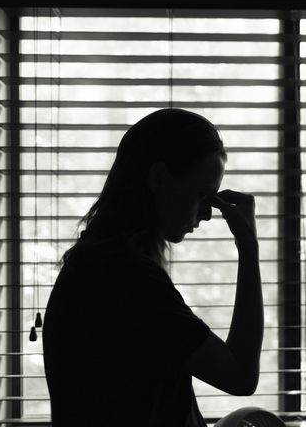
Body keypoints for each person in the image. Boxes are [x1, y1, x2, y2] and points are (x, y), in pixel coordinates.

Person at [42, 108, 264, 427]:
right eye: (202, 195)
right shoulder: (127, 277)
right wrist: (248, 247)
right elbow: (240, 377)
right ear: (158, 178)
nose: (207, 213)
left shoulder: (97, 261)